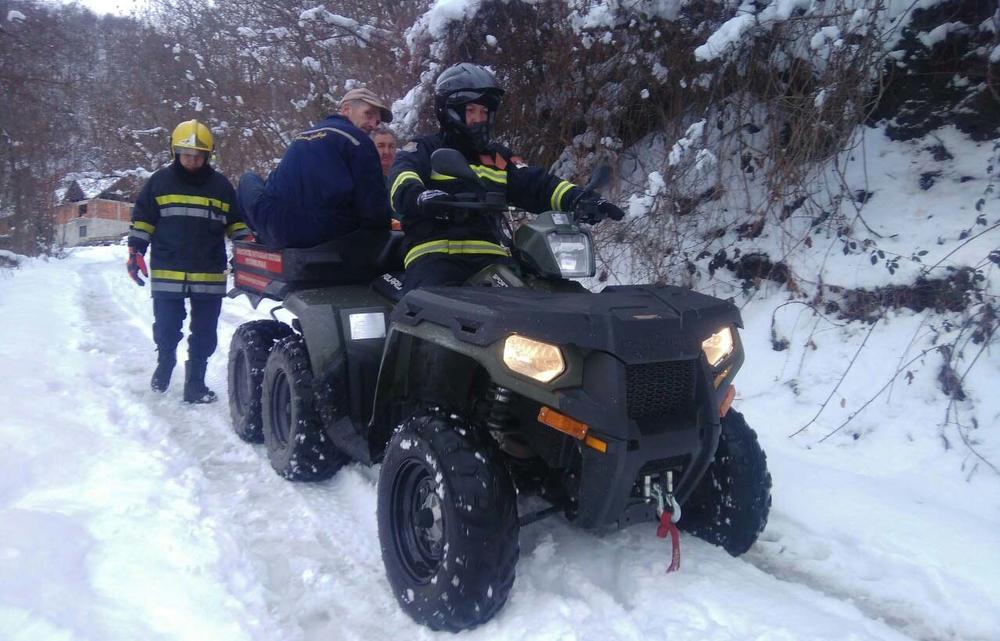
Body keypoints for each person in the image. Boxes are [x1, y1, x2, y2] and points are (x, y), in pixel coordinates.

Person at [388, 63, 624, 292]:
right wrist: (420, 197)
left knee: (541, 299)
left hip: (491, 258)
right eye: (471, 111)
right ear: (449, 111)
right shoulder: (423, 149)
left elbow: (536, 184)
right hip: (435, 256)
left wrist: (579, 198)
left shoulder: (498, 157)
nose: (479, 118)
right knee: (428, 310)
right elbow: (401, 178)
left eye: (484, 112)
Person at [127, 119, 251, 403]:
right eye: (186, 155)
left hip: (208, 272)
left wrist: (245, 249)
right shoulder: (159, 182)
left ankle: (195, 384)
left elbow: (236, 224)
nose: (192, 161)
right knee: (168, 327)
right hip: (168, 269)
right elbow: (143, 220)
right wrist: (135, 252)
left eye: (198, 156)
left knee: (205, 333)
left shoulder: (221, 186)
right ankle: (166, 362)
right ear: (175, 153)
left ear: (208, 155)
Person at [238, 87, 391, 256]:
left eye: (377, 122)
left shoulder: (301, 137)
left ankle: (256, 232)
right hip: (324, 233)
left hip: (276, 226)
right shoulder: (357, 140)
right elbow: (374, 206)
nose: (372, 125)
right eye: (368, 115)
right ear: (346, 109)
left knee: (248, 178)